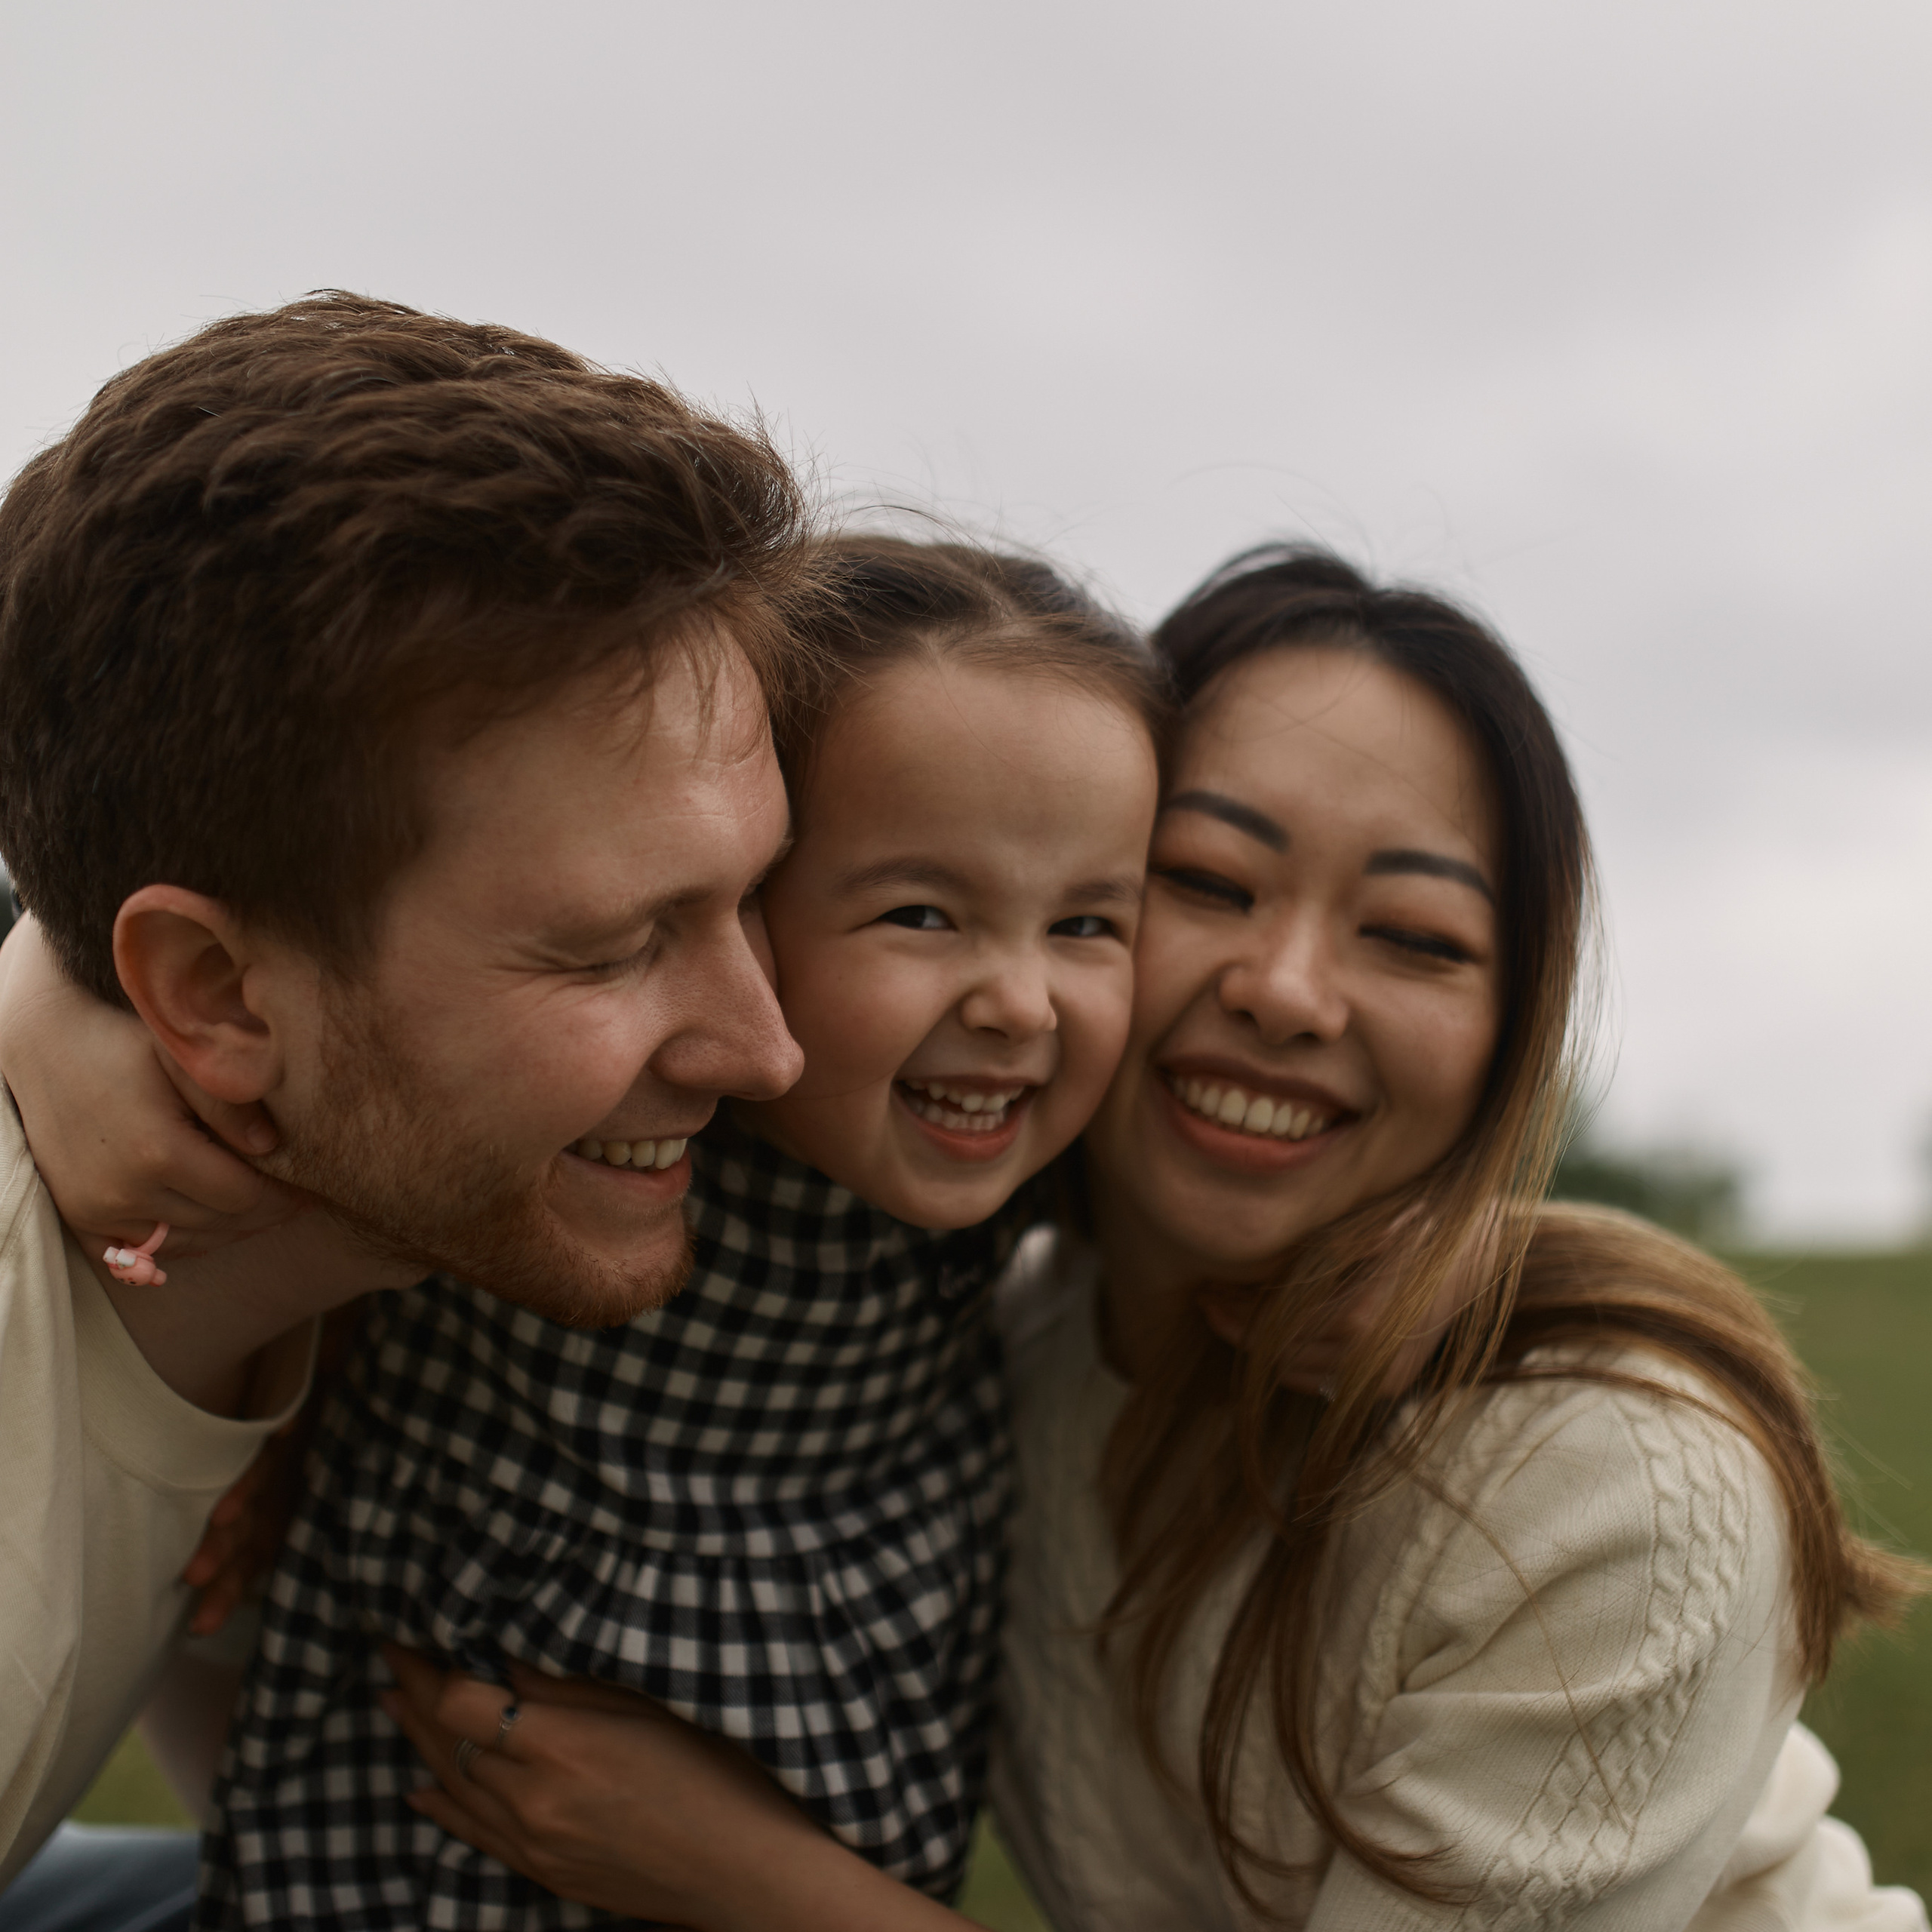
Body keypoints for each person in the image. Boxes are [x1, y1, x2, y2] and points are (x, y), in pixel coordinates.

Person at [377, 549, 1926, 1929]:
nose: (1287, 989)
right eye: (1203, 879)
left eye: (1411, 936)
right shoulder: (993, 1329)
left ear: (1502, 1034)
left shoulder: (1605, 1483)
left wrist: (750, 1879)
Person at [3, 536, 1166, 1926]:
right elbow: (207, 972)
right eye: (921, 912)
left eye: (1091, 922)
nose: (1024, 1004)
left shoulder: (1033, 1157)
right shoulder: (585, 1135)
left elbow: (1292, 1220)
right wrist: (46, 1017)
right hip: (412, 1847)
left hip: (839, 1814)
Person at [0, 290, 817, 1920]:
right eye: (609, 944)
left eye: (752, 899)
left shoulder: (288, 1176)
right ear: (217, 995)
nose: (764, 1045)